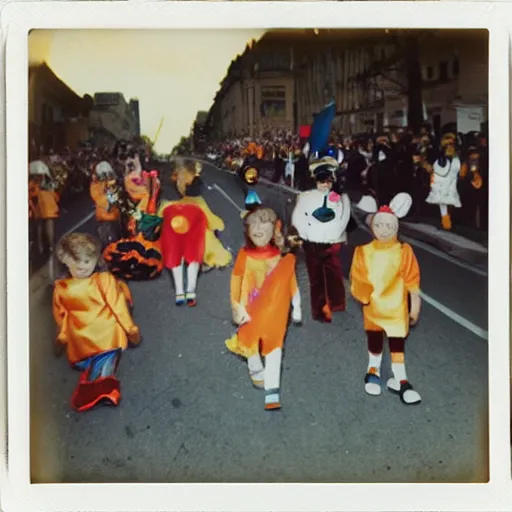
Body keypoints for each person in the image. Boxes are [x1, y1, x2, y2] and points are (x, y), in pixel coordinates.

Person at [225, 198, 302, 410]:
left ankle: (272, 391)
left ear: (274, 229)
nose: (259, 229)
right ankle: (254, 364)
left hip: (275, 309)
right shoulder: (244, 254)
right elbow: (237, 278)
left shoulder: (279, 256)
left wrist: (296, 304)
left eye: (265, 224)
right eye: (255, 225)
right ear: (248, 231)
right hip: (249, 305)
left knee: (275, 347)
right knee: (250, 340)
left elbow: (290, 280)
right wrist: (235, 304)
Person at [53, 232, 140, 412]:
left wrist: (62, 337)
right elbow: (118, 308)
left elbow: (61, 317)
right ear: (66, 261)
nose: (83, 266)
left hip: (81, 345)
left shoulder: (61, 289)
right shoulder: (104, 280)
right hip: (107, 337)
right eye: (77, 261)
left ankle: (93, 382)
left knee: (98, 356)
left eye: (87, 261)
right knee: (109, 353)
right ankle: (103, 387)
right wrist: (131, 330)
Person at [350, 192, 422, 405]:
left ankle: (400, 378)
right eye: (380, 225)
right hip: (373, 306)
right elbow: (358, 277)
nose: (385, 230)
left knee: (397, 342)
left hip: (396, 308)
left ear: (396, 227)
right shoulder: (363, 251)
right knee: (374, 339)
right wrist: (364, 296)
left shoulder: (404, 250)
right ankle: (372, 369)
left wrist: (414, 306)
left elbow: (412, 279)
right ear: (373, 227)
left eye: (390, 226)